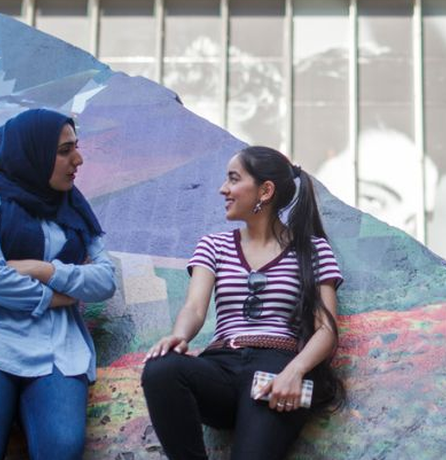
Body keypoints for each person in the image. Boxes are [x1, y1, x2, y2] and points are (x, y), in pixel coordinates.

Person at [0, 108, 117, 460]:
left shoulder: (75, 209)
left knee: (62, 449)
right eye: (65, 151)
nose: (77, 160)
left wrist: (42, 269)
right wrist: (55, 298)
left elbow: (105, 280)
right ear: (31, 152)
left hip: (56, 351)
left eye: (75, 148)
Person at [141, 146, 345, 459]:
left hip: (277, 371)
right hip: (221, 365)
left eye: (234, 180)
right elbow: (195, 309)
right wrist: (179, 336)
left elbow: (326, 330)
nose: (224, 189)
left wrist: (295, 371)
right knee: (161, 369)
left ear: (265, 190)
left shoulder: (312, 250)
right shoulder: (214, 245)